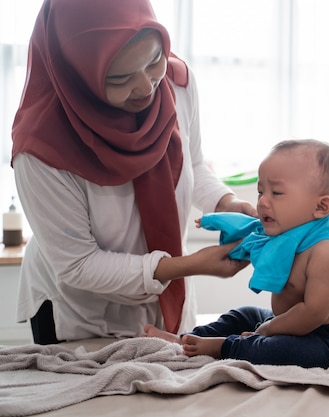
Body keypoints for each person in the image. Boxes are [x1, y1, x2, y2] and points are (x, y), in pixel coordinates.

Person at [10, 0, 256, 345]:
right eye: (121, 78)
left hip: (166, 297)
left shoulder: (177, 83)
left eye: (154, 60)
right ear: (80, 74)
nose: (146, 87)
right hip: (83, 313)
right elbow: (79, 265)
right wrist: (187, 266)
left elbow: (193, 164)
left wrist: (224, 201)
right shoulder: (42, 147)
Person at [144, 139, 329, 369]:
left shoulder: (325, 252)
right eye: (261, 191)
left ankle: (223, 347)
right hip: (287, 324)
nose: (262, 202)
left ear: (321, 207)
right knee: (244, 315)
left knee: (275, 348)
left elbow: (313, 314)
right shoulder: (279, 239)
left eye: (276, 192)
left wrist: (268, 330)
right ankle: (187, 339)